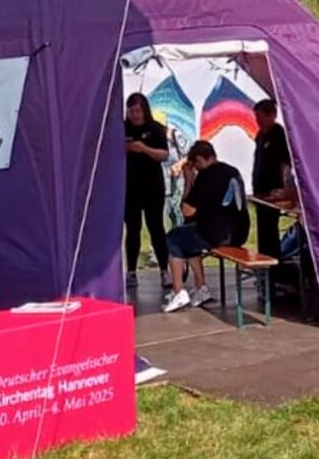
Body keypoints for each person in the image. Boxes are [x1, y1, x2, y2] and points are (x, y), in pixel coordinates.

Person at [162, 139, 246, 313]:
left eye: (195, 165)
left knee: (173, 238)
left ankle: (178, 291)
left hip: (216, 234)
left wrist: (189, 181)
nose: (195, 169)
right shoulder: (233, 171)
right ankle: (201, 287)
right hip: (239, 233)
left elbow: (187, 211)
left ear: (200, 159)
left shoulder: (206, 175)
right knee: (188, 238)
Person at [123, 91, 171, 296]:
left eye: (137, 111)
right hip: (130, 187)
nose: (135, 115)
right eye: (131, 111)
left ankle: (164, 269)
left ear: (144, 110)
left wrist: (143, 148)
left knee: (156, 227)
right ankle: (131, 271)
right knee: (133, 229)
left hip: (152, 186)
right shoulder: (123, 128)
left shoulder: (155, 129)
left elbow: (164, 155)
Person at [249, 96, 295, 269]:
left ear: (271, 115)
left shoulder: (278, 134)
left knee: (270, 228)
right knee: (262, 229)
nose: (258, 121)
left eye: (260, 117)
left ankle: (275, 266)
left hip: (273, 188)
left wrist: (285, 188)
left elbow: (285, 164)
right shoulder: (260, 135)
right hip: (260, 188)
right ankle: (265, 264)